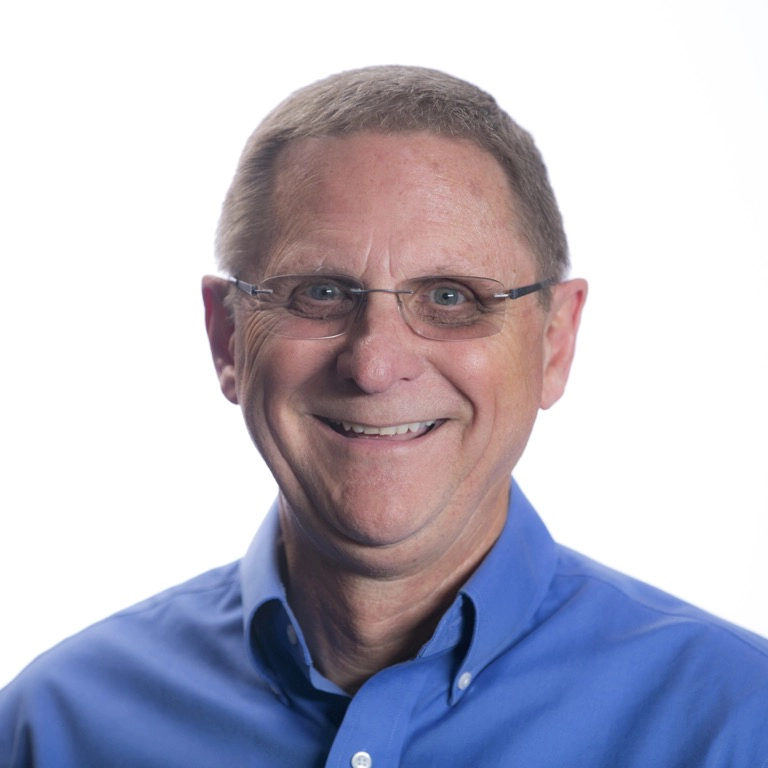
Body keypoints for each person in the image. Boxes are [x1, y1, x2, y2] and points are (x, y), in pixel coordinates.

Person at [1, 65, 766, 767]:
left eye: (450, 297)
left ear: (554, 342)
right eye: (320, 293)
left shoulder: (738, 723)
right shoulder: (51, 729)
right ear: (227, 336)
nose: (374, 364)